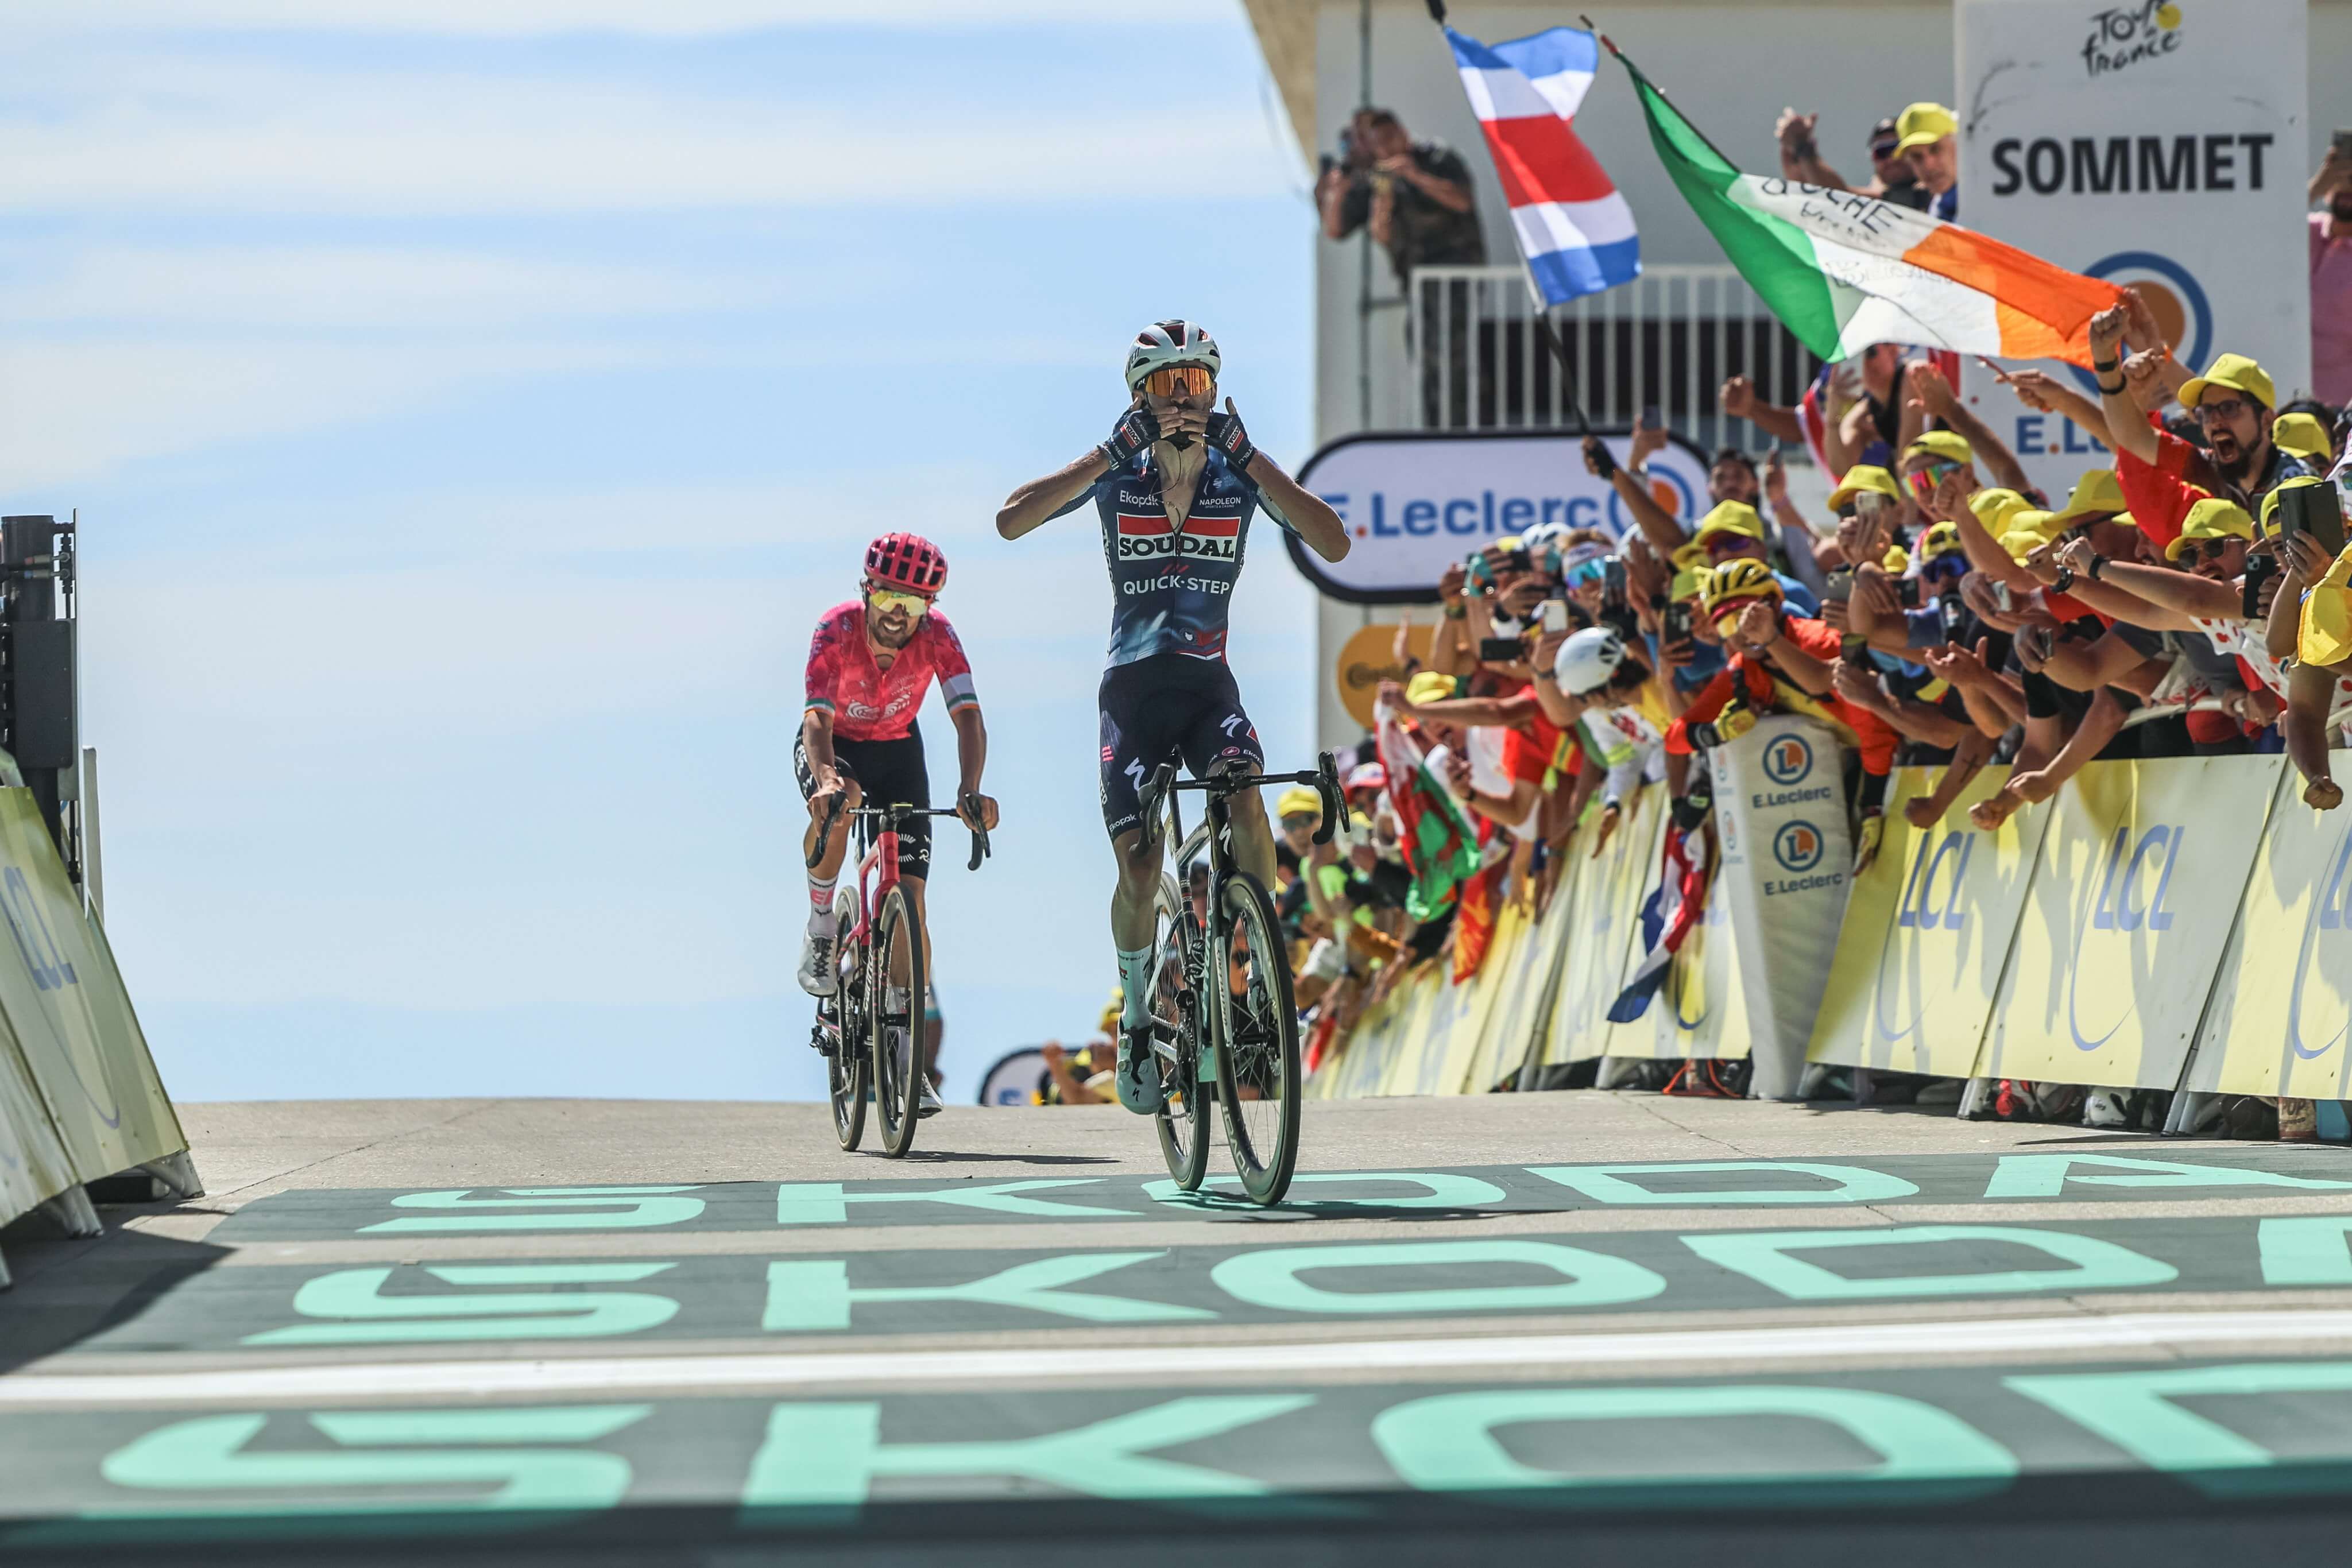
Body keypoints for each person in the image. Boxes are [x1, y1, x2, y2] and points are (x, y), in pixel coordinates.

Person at [995, 320, 1349, 1114]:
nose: (1182, 400)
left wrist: (1254, 457)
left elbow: (1335, 542)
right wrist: (1104, 452)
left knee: (1248, 790)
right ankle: (1134, 1008)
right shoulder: (1118, 474)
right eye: (1165, 386)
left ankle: (1258, 968)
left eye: (1195, 384)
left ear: (1216, 391)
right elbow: (1010, 520)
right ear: (1139, 398)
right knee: (1139, 863)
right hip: (1132, 696)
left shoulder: (1237, 468)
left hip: (1206, 688)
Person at [797, 533, 1001, 1119]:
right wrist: (825, 778)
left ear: (929, 608)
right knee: (845, 800)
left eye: (913, 606)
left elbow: (967, 716)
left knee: (912, 896)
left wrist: (970, 788)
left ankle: (906, 1049)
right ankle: (819, 925)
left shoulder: (939, 637)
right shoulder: (835, 628)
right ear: (867, 590)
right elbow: (816, 716)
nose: (896, 616)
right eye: (888, 599)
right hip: (836, 748)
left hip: (898, 749)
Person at [1774, 110, 1923, 208]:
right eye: (1881, 152)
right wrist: (1790, 148)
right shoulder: (1877, 195)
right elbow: (1807, 194)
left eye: (1896, 149)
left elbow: (1839, 195)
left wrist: (1804, 149)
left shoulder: (1933, 193)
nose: (1890, 160)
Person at [2310, 144, 2352, 405]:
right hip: (2282, 401)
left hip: (2341, 409)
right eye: (2342, 178)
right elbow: (2265, 225)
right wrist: (2318, 184)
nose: (2348, 189)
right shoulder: (2306, 230)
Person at [1893, 102, 1958, 220]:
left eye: (1935, 149)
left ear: (1958, 146)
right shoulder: (1939, 206)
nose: (1928, 165)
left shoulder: (1992, 199)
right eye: (1916, 156)